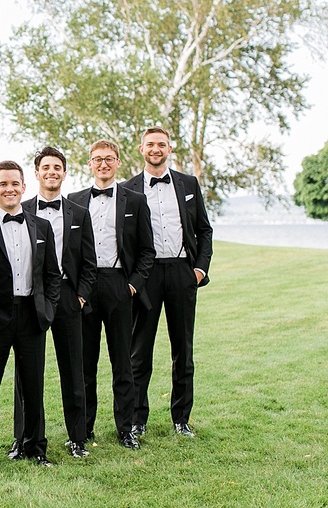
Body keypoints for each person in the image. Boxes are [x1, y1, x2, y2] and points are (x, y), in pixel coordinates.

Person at [122, 127, 213, 438]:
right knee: (139, 352)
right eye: (150, 144)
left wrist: (198, 270)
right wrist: (132, 280)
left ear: (170, 148)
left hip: (181, 274)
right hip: (145, 277)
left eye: (161, 144)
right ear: (141, 148)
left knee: (183, 350)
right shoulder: (127, 189)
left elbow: (205, 230)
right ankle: (137, 420)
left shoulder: (188, 183)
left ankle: (181, 419)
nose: (156, 149)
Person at [0, 161, 61, 471]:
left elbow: (52, 275)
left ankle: (36, 447)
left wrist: (47, 310)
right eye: (3, 184)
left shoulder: (42, 226)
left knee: (34, 388)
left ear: (24, 187)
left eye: (14, 183)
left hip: (31, 317)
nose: (9, 189)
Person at [10, 147, 97, 459]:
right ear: (36, 174)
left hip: (67, 298)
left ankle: (77, 438)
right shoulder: (21, 210)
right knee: (26, 374)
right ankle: (23, 441)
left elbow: (89, 262)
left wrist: (81, 295)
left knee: (74, 371)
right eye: (46, 167)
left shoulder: (79, 213)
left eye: (57, 167)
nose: (51, 172)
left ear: (64, 172)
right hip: (32, 300)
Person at [68, 140, 155, 449]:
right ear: (89, 164)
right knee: (84, 364)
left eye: (108, 159)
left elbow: (147, 250)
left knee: (124, 363)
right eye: (97, 159)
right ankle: (83, 430)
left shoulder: (135, 200)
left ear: (118, 162)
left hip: (120, 285)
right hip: (85, 289)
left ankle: (127, 428)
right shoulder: (74, 201)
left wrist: (132, 285)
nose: (103, 164)